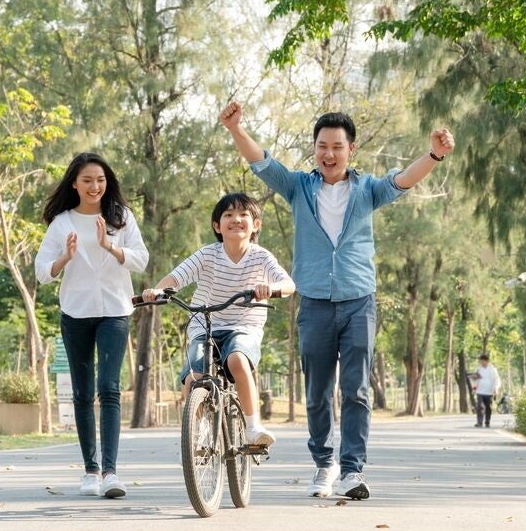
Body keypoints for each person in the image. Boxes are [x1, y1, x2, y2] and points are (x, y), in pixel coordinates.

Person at [219, 101, 454, 499]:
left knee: (356, 389)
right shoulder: (298, 187)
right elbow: (261, 161)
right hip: (314, 302)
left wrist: (434, 154)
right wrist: (236, 129)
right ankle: (324, 464)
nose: (329, 154)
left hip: (358, 300)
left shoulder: (368, 190)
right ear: (314, 149)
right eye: (322, 146)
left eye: (337, 146)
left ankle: (352, 470)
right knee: (317, 391)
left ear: (351, 150)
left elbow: (405, 179)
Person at [34, 153, 149, 499]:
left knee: (109, 387)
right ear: (74, 183)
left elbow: (141, 260)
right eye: (87, 180)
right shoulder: (62, 223)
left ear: (107, 182)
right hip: (76, 312)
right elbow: (42, 273)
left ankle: (111, 473)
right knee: (83, 393)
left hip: (114, 310)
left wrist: (110, 246)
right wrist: (64, 258)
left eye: (100, 180)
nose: (94, 186)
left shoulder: (121, 218)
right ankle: (90, 471)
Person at [141, 192, 295, 446]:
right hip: (205, 324)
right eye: (228, 215)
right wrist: (157, 291)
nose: (236, 219)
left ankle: (253, 427)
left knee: (236, 360)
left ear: (256, 224)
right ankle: (199, 432)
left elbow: (288, 283)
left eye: (244, 214)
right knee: (194, 377)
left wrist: (272, 288)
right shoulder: (207, 255)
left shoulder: (261, 257)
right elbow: (175, 278)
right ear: (217, 225)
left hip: (244, 326)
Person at [473, 353, 501, 428]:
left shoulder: (492, 369)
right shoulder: (479, 369)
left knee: (488, 407)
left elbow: (497, 380)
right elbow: (476, 380)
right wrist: (474, 388)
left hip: (489, 392)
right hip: (480, 391)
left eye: (482, 361)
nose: (481, 363)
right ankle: (479, 422)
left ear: (487, 361)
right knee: (480, 406)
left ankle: (487, 422)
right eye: (480, 361)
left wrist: (496, 388)